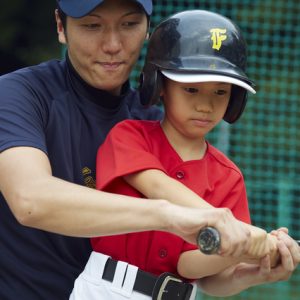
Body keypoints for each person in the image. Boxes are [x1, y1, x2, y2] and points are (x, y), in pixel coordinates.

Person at [0, 1, 257, 299]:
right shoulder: (19, 94)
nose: (112, 45)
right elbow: (30, 200)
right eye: (92, 25)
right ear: (61, 26)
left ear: (148, 28)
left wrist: (245, 269)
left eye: (129, 24)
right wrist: (168, 213)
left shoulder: (159, 125)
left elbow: (191, 268)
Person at [70, 10, 300, 300]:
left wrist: (240, 253)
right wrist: (231, 226)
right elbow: (155, 185)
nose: (205, 105)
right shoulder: (130, 135)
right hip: (105, 289)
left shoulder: (227, 177)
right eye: (191, 89)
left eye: (220, 92)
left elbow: (190, 266)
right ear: (160, 84)